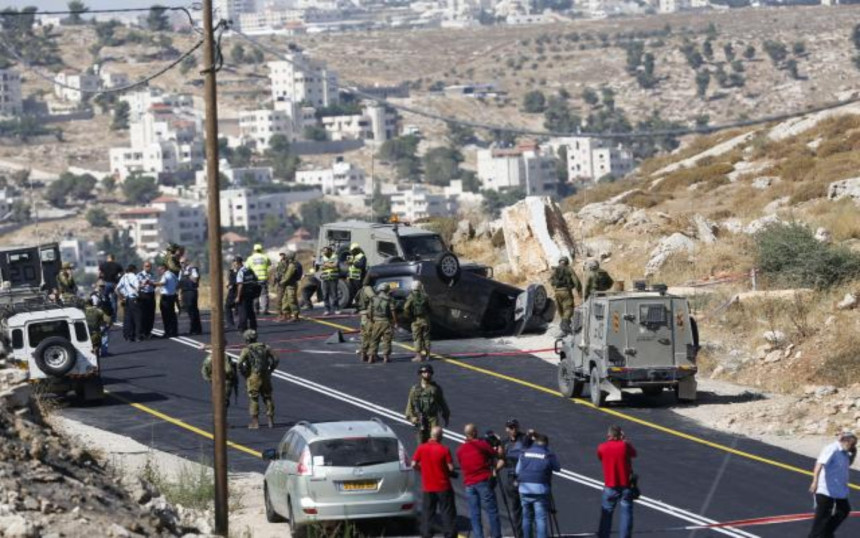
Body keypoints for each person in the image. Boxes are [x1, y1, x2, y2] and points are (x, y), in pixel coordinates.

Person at [456, 424, 503, 538]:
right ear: (473, 433)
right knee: (492, 511)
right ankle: (496, 535)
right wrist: (498, 443)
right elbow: (497, 454)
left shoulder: (460, 450)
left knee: (474, 513)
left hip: (469, 484)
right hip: (483, 481)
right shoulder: (482, 445)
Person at [808, 430, 857, 538]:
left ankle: (826, 533)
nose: (852, 446)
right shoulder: (832, 449)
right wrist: (815, 481)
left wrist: (854, 453)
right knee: (821, 519)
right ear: (845, 441)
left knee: (844, 510)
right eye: (852, 444)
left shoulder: (844, 452)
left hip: (838, 490)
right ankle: (819, 535)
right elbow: (819, 464)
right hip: (825, 489)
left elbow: (848, 464)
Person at [412, 426, 457, 538]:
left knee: (428, 513)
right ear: (440, 436)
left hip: (428, 487)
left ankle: (426, 534)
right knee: (447, 513)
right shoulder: (444, 449)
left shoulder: (421, 448)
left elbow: (413, 464)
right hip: (443, 486)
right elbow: (450, 468)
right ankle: (449, 534)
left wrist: (421, 469)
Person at [516, 433, 560, 538]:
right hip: (540, 490)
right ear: (546, 444)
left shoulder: (524, 452)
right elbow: (557, 468)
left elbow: (517, 471)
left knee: (526, 518)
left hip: (524, 489)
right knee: (540, 519)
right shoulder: (547, 454)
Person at [597, 425, 637, 538]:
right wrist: (625, 440)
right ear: (620, 435)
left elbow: (600, 457)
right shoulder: (625, 446)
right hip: (625, 486)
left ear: (608, 435)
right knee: (626, 514)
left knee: (606, 514)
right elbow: (634, 453)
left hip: (610, 486)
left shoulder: (602, 447)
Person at [237, 329, 278, 429]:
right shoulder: (265, 347)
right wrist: (270, 369)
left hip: (254, 375)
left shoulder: (246, 350)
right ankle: (270, 421)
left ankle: (255, 423)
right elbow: (276, 359)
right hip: (266, 375)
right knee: (267, 397)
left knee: (254, 398)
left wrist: (245, 373)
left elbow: (239, 363)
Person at [405, 364, 451, 446]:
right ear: (420, 374)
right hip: (420, 419)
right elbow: (410, 404)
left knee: (435, 441)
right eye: (424, 372)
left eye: (429, 372)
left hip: (433, 418)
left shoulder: (436, 388)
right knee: (421, 442)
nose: (427, 374)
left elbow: (442, 403)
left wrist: (446, 415)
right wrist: (412, 417)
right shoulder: (415, 389)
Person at [499, 419, 531, 535]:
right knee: (516, 508)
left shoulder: (525, 439)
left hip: (525, 477)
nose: (513, 429)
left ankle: (528, 533)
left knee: (527, 508)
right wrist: (495, 470)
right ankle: (519, 534)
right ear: (506, 429)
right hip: (512, 479)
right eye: (510, 427)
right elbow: (502, 459)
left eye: (515, 427)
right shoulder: (504, 442)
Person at [550, 256, 581, 336]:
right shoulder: (568, 269)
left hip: (557, 292)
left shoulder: (555, 269)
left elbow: (551, 281)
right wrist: (579, 290)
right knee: (568, 308)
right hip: (566, 291)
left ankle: (565, 329)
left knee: (561, 310)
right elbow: (576, 280)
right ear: (567, 262)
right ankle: (565, 326)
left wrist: (555, 289)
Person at [367, 282, 396, 363]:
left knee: (374, 339)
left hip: (376, 321)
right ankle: (386, 358)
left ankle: (371, 357)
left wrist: (372, 320)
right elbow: (393, 311)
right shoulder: (389, 299)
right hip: (386, 321)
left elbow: (369, 311)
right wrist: (394, 321)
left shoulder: (373, 298)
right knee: (386, 340)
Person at [404, 280, 431, 362]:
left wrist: (409, 316)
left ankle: (418, 356)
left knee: (417, 338)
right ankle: (428, 355)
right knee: (426, 337)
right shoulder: (425, 296)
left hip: (416, 320)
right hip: (425, 319)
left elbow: (406, 308)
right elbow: (429, 307)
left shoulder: (411, 297)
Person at [154, 262, 179, 338]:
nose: (158, 272)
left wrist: (152, 283)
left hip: (166, 297)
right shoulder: (172, 274)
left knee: (166, 315)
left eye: (159, 270)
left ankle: (168, 332)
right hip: (172, 296)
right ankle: (174, 331)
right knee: (172, 315)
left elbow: (162, 283)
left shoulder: (165, 275)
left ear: (163, 269)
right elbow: (177, 283)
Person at [116, 264, 141, 342]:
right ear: (133, 270)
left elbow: (116, 289)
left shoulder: (124, 277)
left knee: (128, 318)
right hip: (134, 298)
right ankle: (138, 336)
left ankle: (129, 336)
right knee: (137, 318)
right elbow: (137, 288)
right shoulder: (134, 277)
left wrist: (121, 298)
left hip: (127, 299)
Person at [179, 256, 202, 335]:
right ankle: (194, 328)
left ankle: (195, 329)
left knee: (193, 310)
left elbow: (195, 279)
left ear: (187, 262)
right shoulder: (181, 271)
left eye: (182, 262)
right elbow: (179, 282)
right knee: (189, 310)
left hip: (191, 291)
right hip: (184, 291)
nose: (181, 264)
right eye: (180, 263)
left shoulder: (192, 269)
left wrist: (188, 274)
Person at [234, 256, 258, 332]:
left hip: (243, 294)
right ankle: (253, 326)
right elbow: (255, 280)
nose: (234, 265)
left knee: (243, 311)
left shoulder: (241, 272)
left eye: (234, 264)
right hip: (251, 293)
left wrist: (238, 296)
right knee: (250, 310)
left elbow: (240, 285)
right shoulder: (249, 270)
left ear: (237, 263)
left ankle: (243, 328)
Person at [89, 281, 113, 357]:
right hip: (99, 318)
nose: (102, 288)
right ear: (96, 286)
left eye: (103, 286)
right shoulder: (94, 296)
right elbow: (95, 308)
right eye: (101, 286)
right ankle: (98, 352)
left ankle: (103, 351)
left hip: (105, 317)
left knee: (105, 334)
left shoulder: (102, 295)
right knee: (99, 334)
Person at [355, 276, 376, 362]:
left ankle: (363, 353)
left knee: (364, 335)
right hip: (368, 314)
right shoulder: (368, 289)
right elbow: (374, 298)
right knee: (370, 335)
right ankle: (369, 355)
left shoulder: (361, 289)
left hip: (363, 313)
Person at [278, 251, 303, 323]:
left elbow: (288, 276)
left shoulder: (292, 265)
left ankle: (295, 316)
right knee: (285, 300)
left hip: (291, 285)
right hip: (287, 284)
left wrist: (281, 282)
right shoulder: (288, 264)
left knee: (292, 300)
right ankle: (286, 315)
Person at [248, 244, 272, 315]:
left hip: (254, 279)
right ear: (261, 249)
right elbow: (269, 264)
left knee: (255, 295)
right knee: (264, 294)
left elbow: (247, 267)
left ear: (254, 250)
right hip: (263, 278)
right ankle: (264, 310)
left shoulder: (250, 258)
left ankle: (256, 310)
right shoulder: (265, 257)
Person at [99, 253, 123, 323]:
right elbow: (121, 274)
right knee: (114, 301)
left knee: (104, 298)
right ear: (114, 258)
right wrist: (118, 280)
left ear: (108, 258)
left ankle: (106, 315)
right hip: (114, 284)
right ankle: (114, 318)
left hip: (106, 283)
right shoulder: (117, 265)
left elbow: (100, 274)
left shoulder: (103, 265)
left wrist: (101, 279)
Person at [137, 261, 156, 340]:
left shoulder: (152, 274)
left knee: (151, 314)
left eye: (149, 266)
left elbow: (155, 284)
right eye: (146, 266)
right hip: (143, 295)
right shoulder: (139, 275)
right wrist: (143, 284)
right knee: (143, 315)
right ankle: (143, 332)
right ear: (143, 267)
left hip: (151, 294)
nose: (148, 268)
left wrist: (151, 283)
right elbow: (137, 286)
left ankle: (149, 331)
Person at [318, 245, 340, 315]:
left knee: (334, 294)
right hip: (325, 279)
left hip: (333, 278)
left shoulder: (335, 257)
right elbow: (321, 267)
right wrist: (330, 264)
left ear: (330, 251)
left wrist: (326, 264)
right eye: (323, 251)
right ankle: (327, 309)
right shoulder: (322, 258)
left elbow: (335, 265)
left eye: (326, 251)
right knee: (325, 295)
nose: (324, 252)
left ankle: (336, 308)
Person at [346, 243, 367, 307]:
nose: (351, 252)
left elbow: (361, 265)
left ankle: (362, 305)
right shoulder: (352, 257)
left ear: (356, 250)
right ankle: (357, 306)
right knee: (353, 292)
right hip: (352, 278)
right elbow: (350, 268)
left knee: (359, 292)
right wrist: (348, 275)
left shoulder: (362, 256)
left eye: (353, 250)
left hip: (358, 278)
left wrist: (353, 263)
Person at [273, 252, 288, 319]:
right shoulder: (280, 263)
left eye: (282, 255)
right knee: (279, 299)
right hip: (280, 283)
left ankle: (284, 313)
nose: (281, 257)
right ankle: (280, 313)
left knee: (284, 299)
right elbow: (276, 274)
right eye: (280, 256)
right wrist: (275, 282)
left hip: (284, 282)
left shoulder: (287, 263)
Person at [225, 260, 239, 329]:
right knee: (228, 306)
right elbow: (228, 280)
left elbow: (238, 282)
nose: (234, 266)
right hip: (232, 291)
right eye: (233, 264)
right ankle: (230, 323)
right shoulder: (231, 271)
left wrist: (231, 284)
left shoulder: (239, 271)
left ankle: (239, 323)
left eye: (235, 264)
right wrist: (228, 284)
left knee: (238, 307)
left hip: (237, 291)